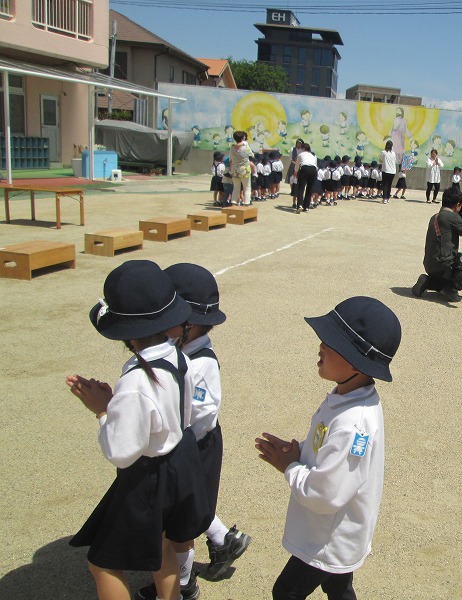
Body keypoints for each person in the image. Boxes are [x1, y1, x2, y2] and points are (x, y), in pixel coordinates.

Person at [67, 260, 211, 600]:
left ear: (125, 330)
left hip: (148, 478)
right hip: (178, 462)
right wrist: (117, 405)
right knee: (162, 544)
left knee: (103, 562)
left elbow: (121, 452)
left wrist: (103, 410)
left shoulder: (136, 382)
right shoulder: (178, 356)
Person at [256, 296, 401, 600]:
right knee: (338, 587)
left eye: (330, 343)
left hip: (328, 537)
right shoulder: (348, 395)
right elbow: (328, 451)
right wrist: (300, 452)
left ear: (354, 362)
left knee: (285, 592)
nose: (321, 345)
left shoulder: (353, 423)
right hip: (337, 530)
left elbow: (327, 495)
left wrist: (290, 467)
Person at [163, 264, 252, 586]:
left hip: (192, 445)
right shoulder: (178, 351)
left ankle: (183, 584)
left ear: (188, 324)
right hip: (182, 442)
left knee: (179, 522)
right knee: (187, 504)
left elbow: (198, 418)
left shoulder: (198, 365)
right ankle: (223, 539)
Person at [412, 186, 462, 302]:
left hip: (430, 265)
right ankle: (451, 289)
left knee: (457, 261)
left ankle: (428, 281)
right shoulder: (452, 217)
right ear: (458, 204)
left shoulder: (435, 217)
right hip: (444, 267)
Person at [229, 131, 255, 206]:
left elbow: (230, 158)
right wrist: (244, 143)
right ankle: (246, 203)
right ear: (242, 138)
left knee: (236, 188)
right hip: (245, 170)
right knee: (247, 188)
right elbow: (252, 155)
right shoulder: (245, 147)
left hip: (235, 170)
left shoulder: (232, 148)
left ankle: (233, 203)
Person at [293, 143, 318, 213]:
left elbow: (297, 164)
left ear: (303, 148)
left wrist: (295, 171)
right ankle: (306, 207)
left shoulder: (300, 154)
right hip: (313, 170)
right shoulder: (314, 155)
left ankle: (300, 205)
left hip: (304, 168)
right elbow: (315, 165)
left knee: (301, 188)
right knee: (309, 189)